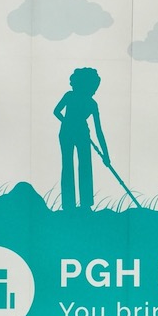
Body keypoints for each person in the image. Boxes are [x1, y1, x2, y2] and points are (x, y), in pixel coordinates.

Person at [54, 68, 110, 211]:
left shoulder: (92, 104)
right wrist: (67, 122)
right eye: (93, 87)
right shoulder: (69, 96)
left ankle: (86, 203)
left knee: (85, 165)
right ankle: (68, 205)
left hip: (83, 134)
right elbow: (56, 111)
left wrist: (106, 155)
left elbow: (99, 131)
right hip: (66, 133)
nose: (95, 91)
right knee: (68, 165)